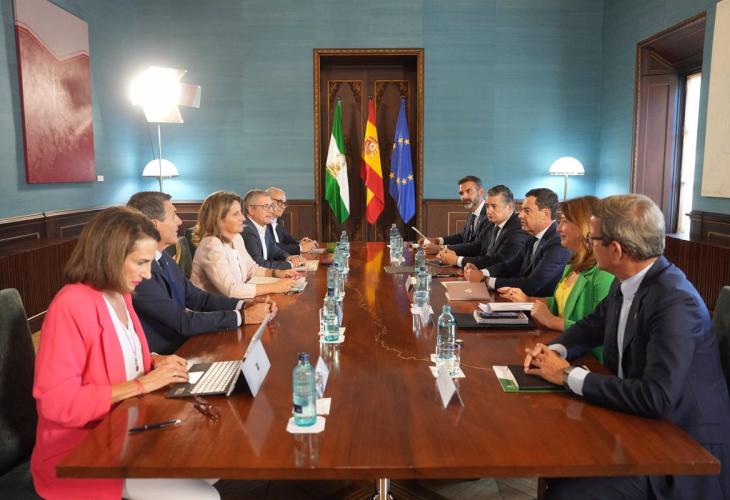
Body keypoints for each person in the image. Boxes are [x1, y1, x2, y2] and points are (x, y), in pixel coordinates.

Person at [523, 194, 730, 499]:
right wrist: (553, 351)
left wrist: (567, 375)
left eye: (593, 239)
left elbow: (656, 397)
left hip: (681, 450)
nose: (589, 244)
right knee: (558, 454)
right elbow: (591, 326)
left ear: (616, 250)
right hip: (640, 426)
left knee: (568, 492)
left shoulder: (674, 302)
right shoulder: (627, 280)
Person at [31, 207, 219, 499]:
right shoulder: (70, 305)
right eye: (141, 262)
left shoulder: (122, 294)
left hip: (129, 430)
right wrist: (143, 383)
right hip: (84, 451)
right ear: (110, 256)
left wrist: (154, 361)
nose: (147, 274)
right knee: (204, 495)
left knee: (210, 464)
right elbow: (56, 403)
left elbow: (119, 355)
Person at [127, 192, 275, 355]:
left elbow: (197, 298)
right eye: (174, 215)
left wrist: (244, 305)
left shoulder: (163, 258)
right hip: (170, 355)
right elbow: (181, 322)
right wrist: (243, 316)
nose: (179, 221)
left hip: (188, 342)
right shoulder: (138, 273)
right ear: (153, 225)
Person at [497, 196, 614, 361]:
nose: (558, 228)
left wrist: (552, 321)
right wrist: (527, 299)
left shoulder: (603, 274)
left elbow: (599, 329)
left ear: (583, 226)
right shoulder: (573, 264)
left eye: (565, 221)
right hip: (562, 345)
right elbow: (559, 303)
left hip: (589, 359)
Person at [464, 188, 570, 297]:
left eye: (527, 211)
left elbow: (531, 284)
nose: (520, 215)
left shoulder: (558, 243)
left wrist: (486, 280)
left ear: (545, 214)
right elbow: (509, 266)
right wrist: (482, 273)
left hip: (537, 304)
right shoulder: (532, 237)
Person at [191, 191, 298, 299]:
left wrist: (277, 273)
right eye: (236, 214)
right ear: (218, 219)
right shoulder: (211, 244)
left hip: (233, 303)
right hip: (212, 308)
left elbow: (252, 270)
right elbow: (231, 289)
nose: (243, 218)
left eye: (240, 213)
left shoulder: (237, 238)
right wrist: (275, 287)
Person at [437, 184, 529, 269]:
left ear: (509, 207)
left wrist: (457, 260)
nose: (489, 211)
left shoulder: (518, 228)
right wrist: (448, 251)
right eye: (487, 206)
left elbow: (499, 261)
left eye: (494, 206)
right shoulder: (490, 222)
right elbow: (476, 247)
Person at [420, 175, 490, 255]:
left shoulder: (489, 214)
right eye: (461, 193)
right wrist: (437, 240)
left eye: (469, 191)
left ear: (480, 192)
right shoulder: (472, 212)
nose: (464, 197)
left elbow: (476, 247)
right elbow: (463, 236)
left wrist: (440, 248)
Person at [242, 189, 306, 269]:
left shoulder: (263, 226)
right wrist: (290, 264)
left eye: (271, 206)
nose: (271, 211)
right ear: (251, 210)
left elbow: (274, 250)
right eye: (266, 206)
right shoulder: (248, 231)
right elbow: (258, 264)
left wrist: (288, 257)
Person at [265, 186, 317, 254]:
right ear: (268, 201)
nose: (283, 207)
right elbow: (273, 247)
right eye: (280, 202)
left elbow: (288, 239)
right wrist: (300, 248)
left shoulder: (278, 221)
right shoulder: (263, 222)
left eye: (284, 203)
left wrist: (301, 242)